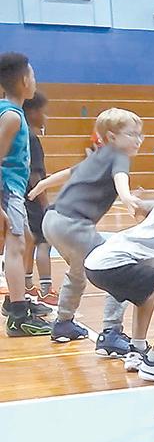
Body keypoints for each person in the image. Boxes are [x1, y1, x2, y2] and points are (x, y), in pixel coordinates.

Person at [31, 108, 144, 351]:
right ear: (112, 137)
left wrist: (42, 185)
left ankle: (63, 323)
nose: (138, 140)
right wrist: (126, 197)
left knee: (77, 272)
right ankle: (111, 332)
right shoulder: (119, 156)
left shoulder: (97, 155)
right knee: (119, 268)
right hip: (74, 225)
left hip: (52, 220)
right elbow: (120, 177)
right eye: (132, 134)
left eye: (140, 134)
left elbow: (69, 173)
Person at [84, 151, 154, 382]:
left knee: (149, 289)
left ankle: (137, 350)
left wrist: (137, 203)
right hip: (114, 264)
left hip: (97, 262)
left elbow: (144, 210)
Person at [0, 52, 52, 336]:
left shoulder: (11, 111)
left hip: (12, 190)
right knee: (17, 246)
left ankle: (14, 300)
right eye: (32, 75)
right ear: (23, 80)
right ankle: (18, 316)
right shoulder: (11, 117)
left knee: (27, 239)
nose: (35, 80)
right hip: (8, 189)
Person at [22, 92, 56, 308]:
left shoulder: (21, 134)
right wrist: (45, 204)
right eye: (44, 112)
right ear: (33, 112)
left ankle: (27, 284)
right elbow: (35, 175)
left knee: (30, 240)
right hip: (33, 197)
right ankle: (46, 290)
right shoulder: (32, 138)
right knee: (44, 241)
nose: (46, 117)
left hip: (21, 196)